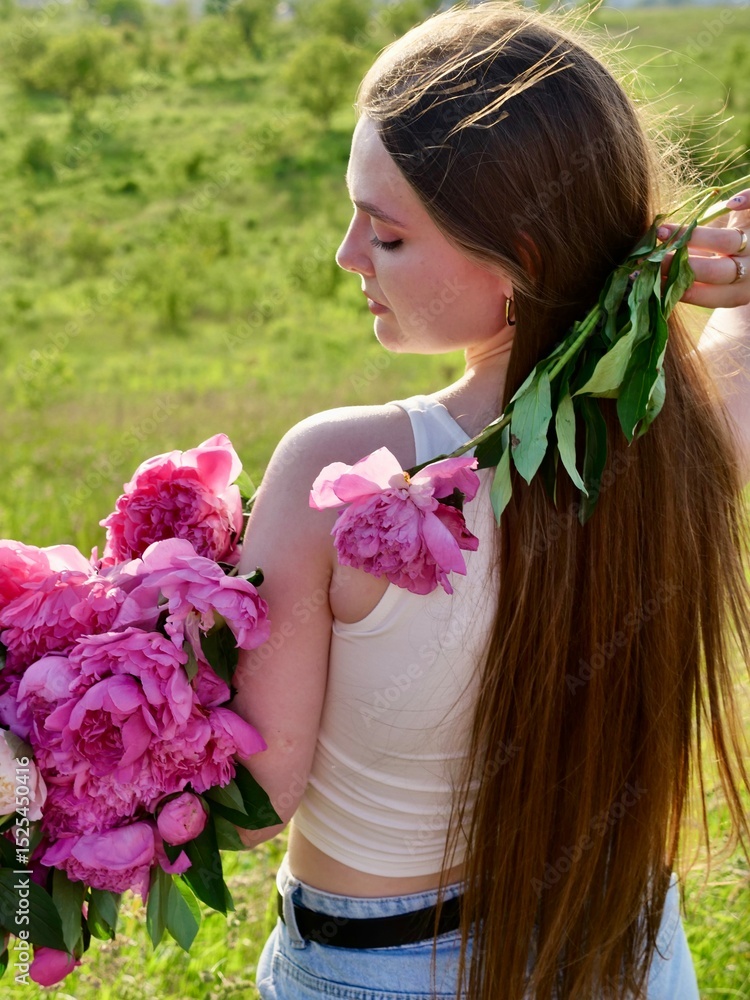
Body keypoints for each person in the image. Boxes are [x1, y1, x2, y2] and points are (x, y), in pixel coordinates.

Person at [230, 3, 750, 998]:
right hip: (626, 955)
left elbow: (254, 802)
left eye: (384, 235)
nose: (347, 256)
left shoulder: (337, 472)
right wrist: (652, 263)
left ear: (523, 258)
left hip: (377, 970)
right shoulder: (688, 438)